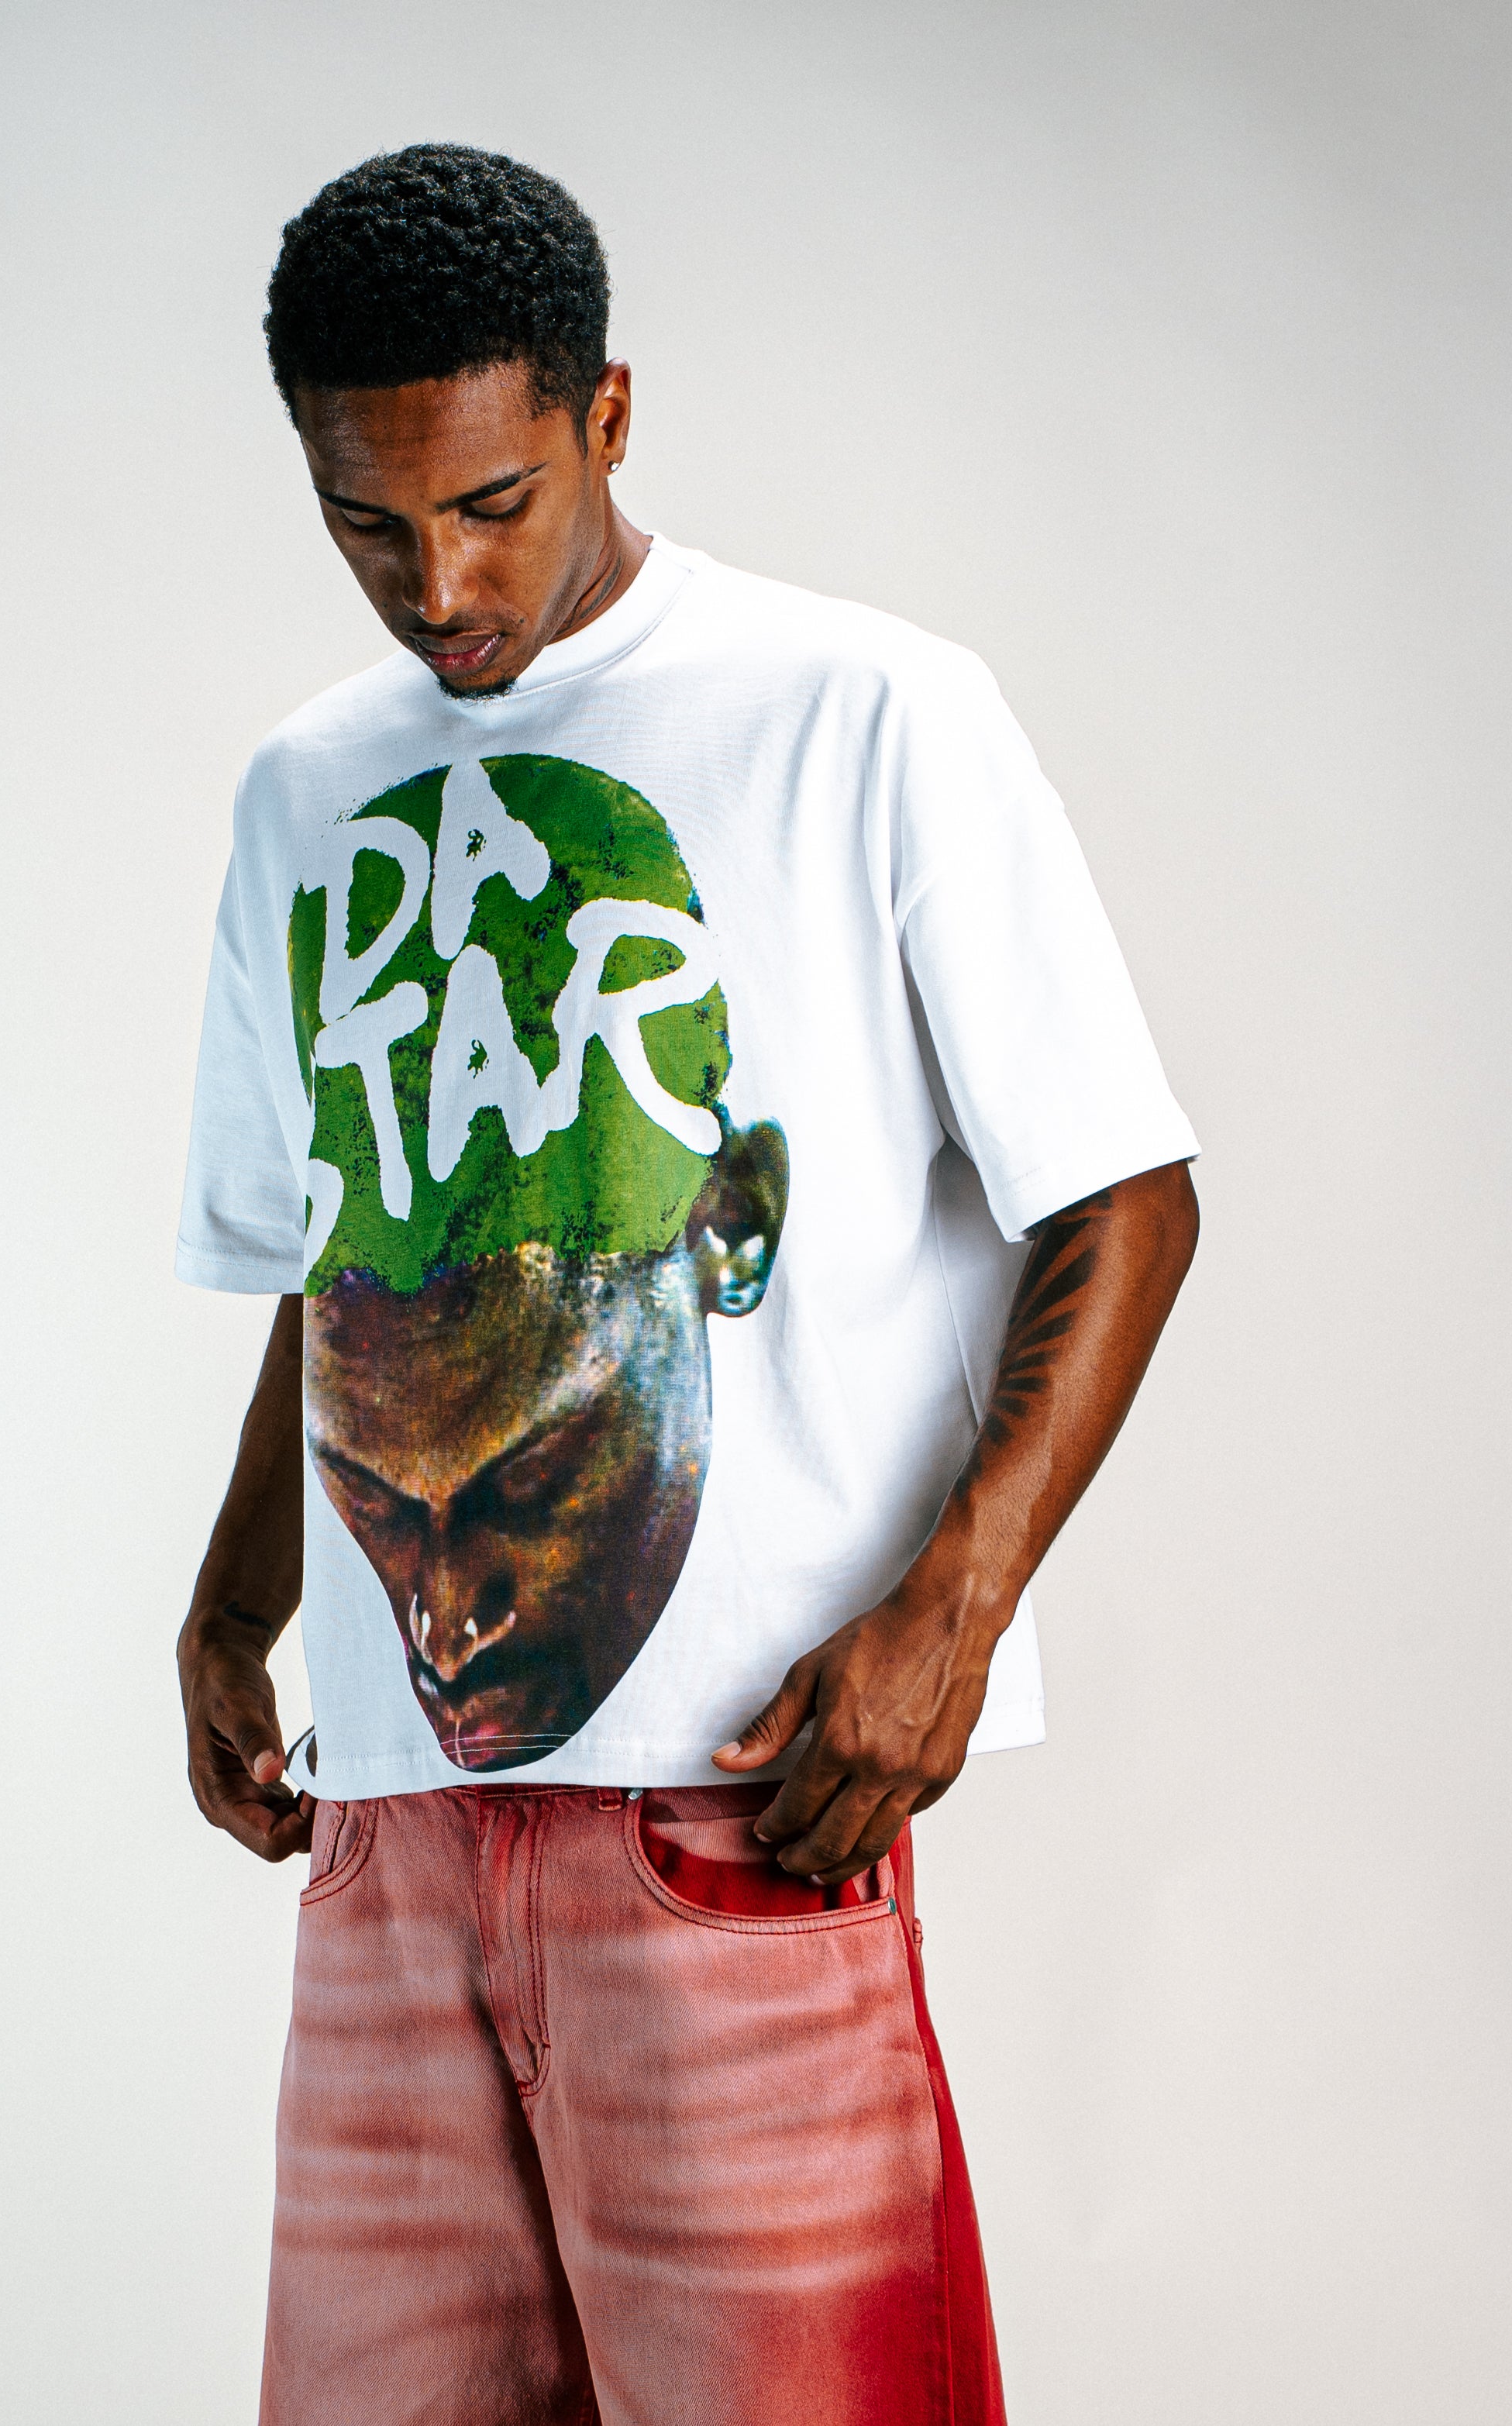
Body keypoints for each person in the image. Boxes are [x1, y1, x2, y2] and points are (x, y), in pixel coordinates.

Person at [174, 143, 1199, 2426]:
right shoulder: (302, 792)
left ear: (608, 414)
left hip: (736, 1803)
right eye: (368, 524)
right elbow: (336, 1250)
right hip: (392, 1833)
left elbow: (1125, 1197)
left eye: (494, 503)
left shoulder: (864, 710)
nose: (441, 586)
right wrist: (234, 1601)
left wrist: (948, 1616)